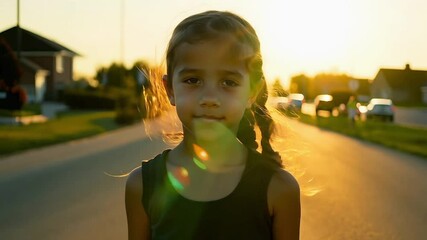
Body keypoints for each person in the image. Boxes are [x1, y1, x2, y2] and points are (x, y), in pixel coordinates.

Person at [125, 10, 300, 240]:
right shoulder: (142, 186)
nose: (209, 97)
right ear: (170, 89)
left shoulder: (279, 189)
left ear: (251, 92)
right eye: (193, 80)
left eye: (228, 82)